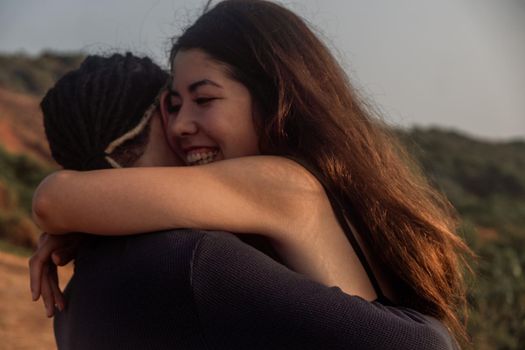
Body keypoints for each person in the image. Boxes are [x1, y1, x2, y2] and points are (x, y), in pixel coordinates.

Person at [31, 0, 473, 347]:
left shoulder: (277, 181)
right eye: (174, 104)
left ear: (274, 97)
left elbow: (54, 198)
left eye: (203, 100)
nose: (181, 125)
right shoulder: (279, 205)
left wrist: (77, 220)